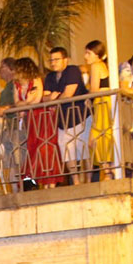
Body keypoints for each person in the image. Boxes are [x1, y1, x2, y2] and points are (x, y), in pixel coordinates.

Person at [14, 57, 61, 188]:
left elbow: (37, 100)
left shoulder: (36, 80)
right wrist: (27, 101)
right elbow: (17, 103)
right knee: (34, 148)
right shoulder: (16, 84)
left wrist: (26, 102)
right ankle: (41, 181)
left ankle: (50, 182)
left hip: (42, 116)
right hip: (31, 118)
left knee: (46, 147)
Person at [44, 47, 89, 184]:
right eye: (51, 60)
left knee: (83, 149)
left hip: (80, 115)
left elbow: (68, 94)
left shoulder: (72, 70)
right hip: (62, 119)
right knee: (67, 150)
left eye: (56, 59)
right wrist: (52, 97)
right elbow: (44, 98)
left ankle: (88, 179)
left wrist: (54, 98)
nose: (53, 63)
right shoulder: (50, 77)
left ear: (65, 59)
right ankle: (75, 180)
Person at [84, 41, 113, 172]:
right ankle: (108, 168)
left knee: (98, 136)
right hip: (103, 102)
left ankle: (107, 169)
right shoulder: (103, 66)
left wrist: (87, 95)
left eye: (88, 53)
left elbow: (95, 88)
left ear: (96, 54)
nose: (85, 56)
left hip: (102, 102)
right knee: (101, 135)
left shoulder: (96, 65)